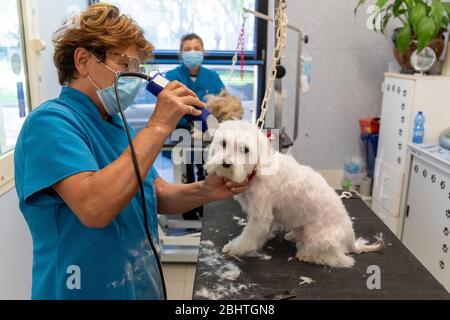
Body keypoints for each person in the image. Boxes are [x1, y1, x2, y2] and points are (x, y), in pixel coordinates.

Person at [14, 4, 248, 300]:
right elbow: (94, 207)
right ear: (84, 60)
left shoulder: (119, 127)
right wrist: (160, 125)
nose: (134, 80)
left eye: (138, 69)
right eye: (125, 66)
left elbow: (155, 192)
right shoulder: (49, 123)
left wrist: (205, 191)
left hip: (138, 287)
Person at [165, 34, 225, 219]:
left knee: (205, 169)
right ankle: (188, 210)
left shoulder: (213, 77)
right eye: (187, 49)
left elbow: (221, 105)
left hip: (207, 133)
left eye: (197, 48)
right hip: (180, 131)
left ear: (204, 52)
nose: (192, 52)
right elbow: (168, 108)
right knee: (186, 170)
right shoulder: (171, 77)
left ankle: (205, 208)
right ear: (181, 53)